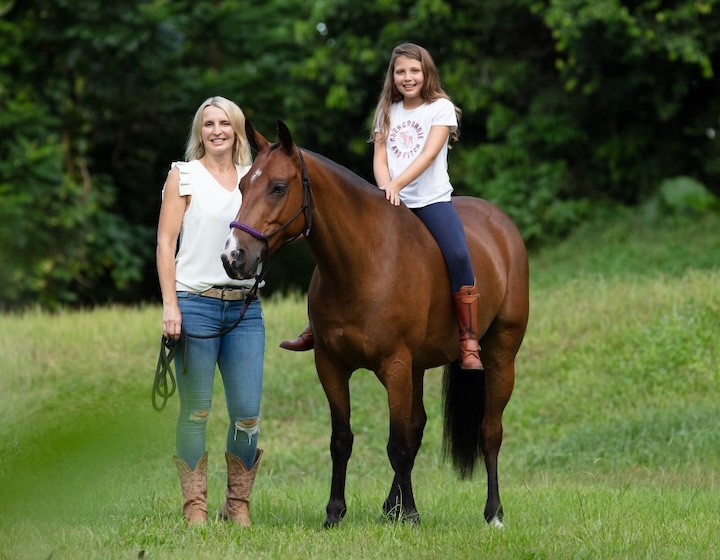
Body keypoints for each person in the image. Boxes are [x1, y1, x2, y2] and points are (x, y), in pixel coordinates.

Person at [281, 43, 483, 371]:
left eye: (414, 71)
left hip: (430, 201)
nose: (408, 77)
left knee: (458, 255)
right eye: (401, 71)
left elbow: (429, 154)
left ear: (426, 73)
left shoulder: (441, 108)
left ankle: (468, 338)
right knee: (337, 247)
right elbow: (379, 157)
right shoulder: (387, 110)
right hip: (390, 200)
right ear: (393, 76)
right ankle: (315, 326)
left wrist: (397, 185)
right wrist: (385, 189)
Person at [156, 96, 265, 526]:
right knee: (196, 410)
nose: (216, 130)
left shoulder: (251, 177)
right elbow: (166, 243)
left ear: (237, 129)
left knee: (247, 414)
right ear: (199, 132)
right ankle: (195, 508)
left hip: (245, 311)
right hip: (195, 305)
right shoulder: (183, 176)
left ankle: (236, 506)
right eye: (208, 124)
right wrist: (170, 305)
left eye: (225, 123)